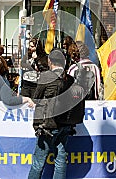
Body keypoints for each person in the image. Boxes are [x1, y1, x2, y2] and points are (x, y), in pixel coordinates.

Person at [28, 49, 75, 179]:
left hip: (49, 124)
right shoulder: (70, 79)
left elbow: (36, 97)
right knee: (60, 161)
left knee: (38, 161)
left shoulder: (47, 76)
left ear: (50, 61)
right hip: (66, 123)